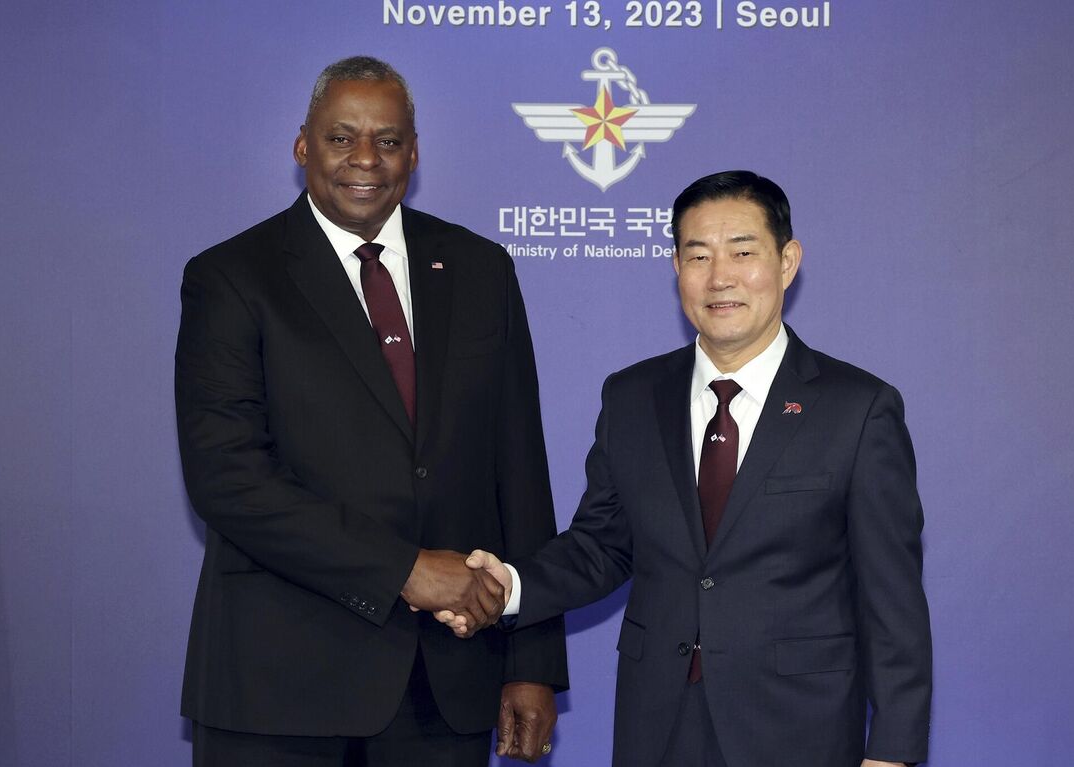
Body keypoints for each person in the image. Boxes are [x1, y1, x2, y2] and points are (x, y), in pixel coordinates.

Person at [438, 171, 932, 766]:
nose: (720, 276)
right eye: (698, 255)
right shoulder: (632, 396)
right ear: (676, 268)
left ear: (787, 260)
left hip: (801, 728)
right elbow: (602, 546)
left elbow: (893, 601)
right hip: (660, 723)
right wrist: (507, 587)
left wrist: (894, 752)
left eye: (743, 252)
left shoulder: (858, 409)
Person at [173, 56, 566, 766]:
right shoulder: (231, 277)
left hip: (441, 689)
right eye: (340, 137)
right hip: (276, 690)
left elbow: (520, 473)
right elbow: (228, 479)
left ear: (413, 154)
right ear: (302, 147)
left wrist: (531, 659)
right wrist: (403, 568)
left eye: (387, 141)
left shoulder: (481, 269)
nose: (365, 159)